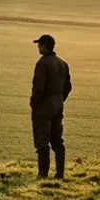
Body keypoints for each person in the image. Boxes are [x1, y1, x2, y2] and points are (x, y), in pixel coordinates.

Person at [30, 34, 72, 179]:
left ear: (44, 46)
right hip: (58, 106)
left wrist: (34, 104)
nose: (38, 47)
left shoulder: (42, 64)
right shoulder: (63, 63)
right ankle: (60, 173)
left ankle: (42, 174)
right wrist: (60, 99)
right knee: (57, 140)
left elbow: (39, 88)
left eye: (39, 45)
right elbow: (68, 87)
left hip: (44, 108)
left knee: (42, 141)